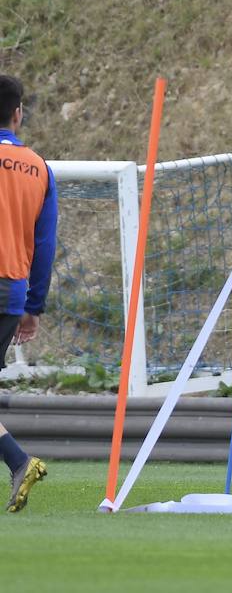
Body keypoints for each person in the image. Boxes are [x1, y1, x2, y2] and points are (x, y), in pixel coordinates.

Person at [0, 75, 55, 513]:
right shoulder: (38, 167)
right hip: (11, 293)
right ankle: (19, 463)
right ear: (18, 113)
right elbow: (45, 242)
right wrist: (32, 306)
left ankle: (19, 461)